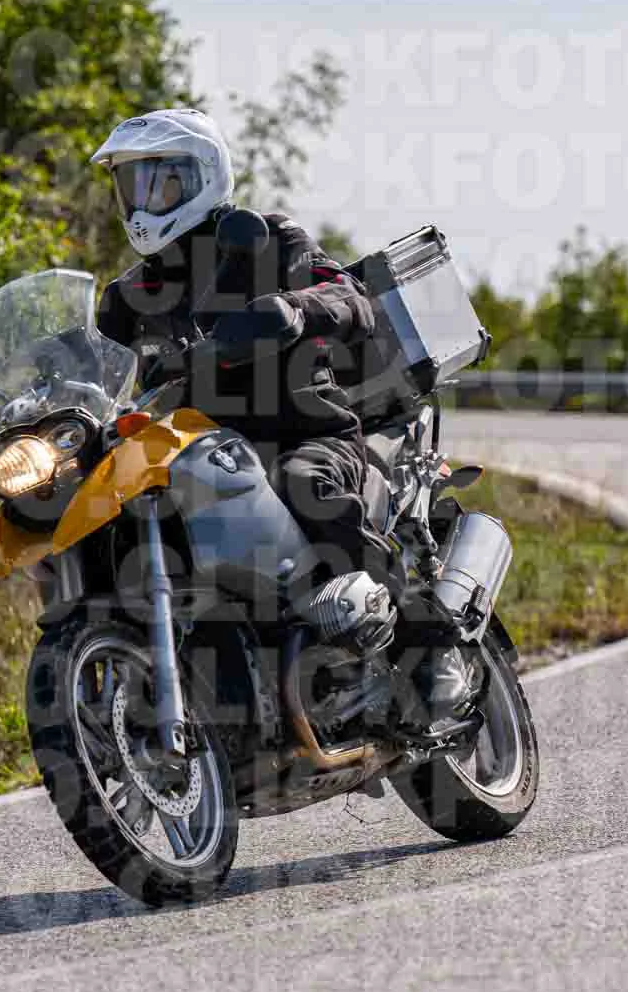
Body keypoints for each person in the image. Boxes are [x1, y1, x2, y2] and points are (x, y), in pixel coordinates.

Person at [86, 108, 399, 643]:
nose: (141, 201)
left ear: (202, 176)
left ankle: (410, 629)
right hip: (193, 456)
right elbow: (95, 373)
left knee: (303, 482)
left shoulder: (271, 239)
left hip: (301, 432)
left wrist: (293, 308)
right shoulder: (127, 295)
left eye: (158, 183)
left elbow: (351, 297)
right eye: (130, 184)